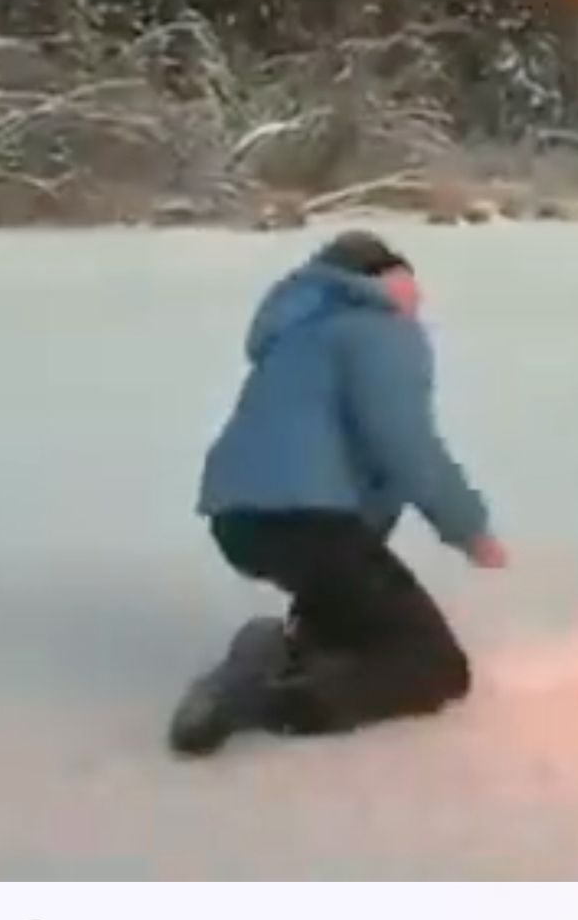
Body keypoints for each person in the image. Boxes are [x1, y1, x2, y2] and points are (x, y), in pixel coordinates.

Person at [171, 230, 507, 755]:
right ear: (373, 285)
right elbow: (404, 444)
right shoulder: (378, 332)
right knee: (433, 666)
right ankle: (266, 703)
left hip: (239, 519)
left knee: (350, 608)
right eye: (407, 286)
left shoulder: (302, 334)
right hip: (306, 521)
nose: (416, 302)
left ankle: (292, 647)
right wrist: (468, 528)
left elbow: (351, 456)